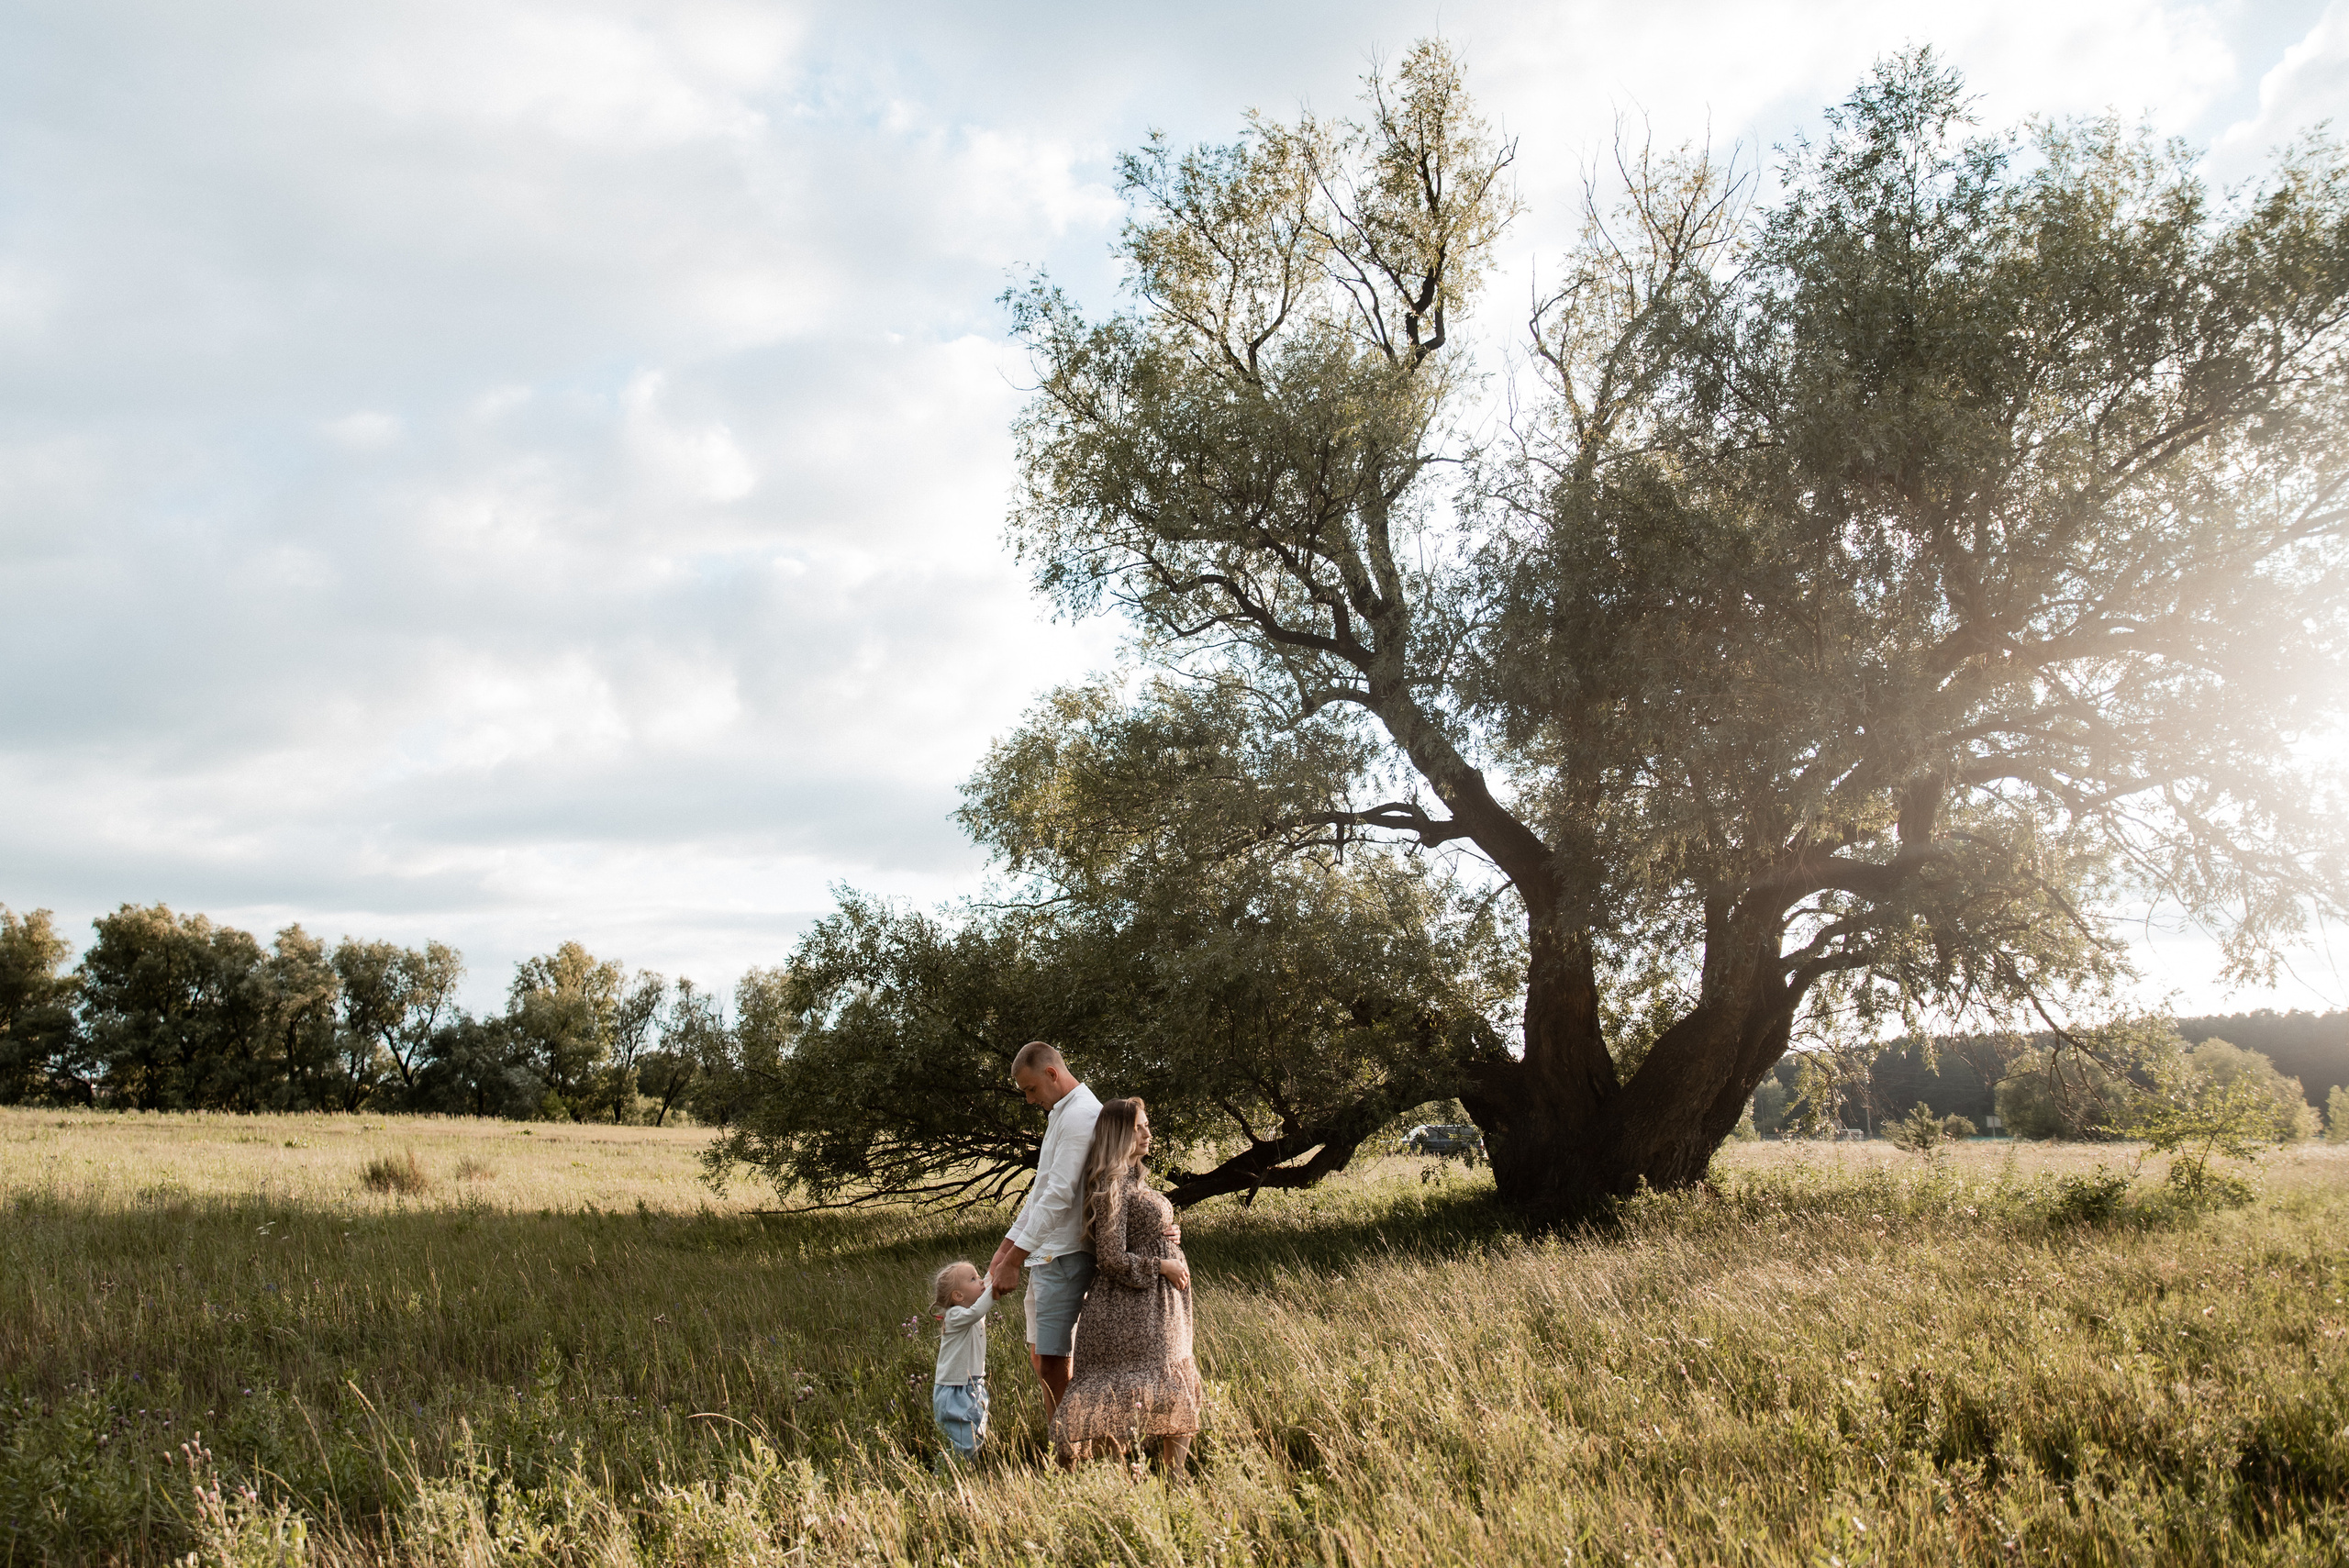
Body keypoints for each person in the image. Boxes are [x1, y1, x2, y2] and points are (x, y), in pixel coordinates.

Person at [1049, 1096, 1202, 1475]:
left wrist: (1169, 1236)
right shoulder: (1112, 1183)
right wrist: (1161, 1264)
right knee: (1158, 1390)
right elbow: (1111, 1257)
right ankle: (1131, 1477)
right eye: (1138, 1127)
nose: (1148, 1133)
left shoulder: (1136, 1178)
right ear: (1119, 1132)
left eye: (1146, 1125)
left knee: (1174, 1389)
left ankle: (1171, 1481)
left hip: (1160, 1308)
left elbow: (1139, 1231)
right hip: (1131, 1311)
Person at [985, 1041, 1102, 1417]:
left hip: (1067, 1252)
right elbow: (1039, 1192)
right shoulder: (1060, 1113)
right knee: (1040, 1358)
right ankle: (1064, 1446)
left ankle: (1070, 1453)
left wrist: (1014, 1260)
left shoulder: (1082, 1113)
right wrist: (1005, 1250)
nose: (1029, 1099)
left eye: (1031, 1089)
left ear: (1052, 1074)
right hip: (1046, 1251)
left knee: (1054, 1362)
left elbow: (1059, 1195)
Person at [929, 1260, 996, 1465]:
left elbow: (980, 1303)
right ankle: (943, 1480)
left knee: (974, 1439)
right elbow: (977, 1311)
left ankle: (962, 1481)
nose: (981, 1282)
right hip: (955, 1390)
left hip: (974, 1386)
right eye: (973, 1279)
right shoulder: (955, 1315)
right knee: (962, 1445)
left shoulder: (970, 1313)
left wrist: (996, 1272)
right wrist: (994, 1289)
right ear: (958, 1296)